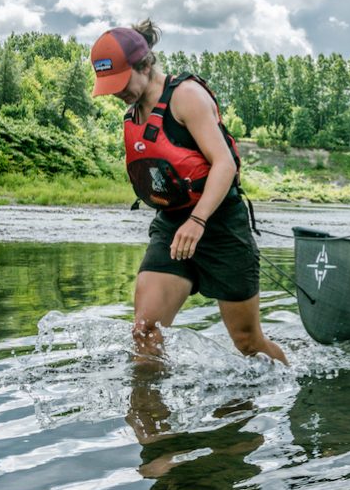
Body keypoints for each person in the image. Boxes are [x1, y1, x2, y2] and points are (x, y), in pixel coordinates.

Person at [90, 19, 287, 364]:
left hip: (219, 225)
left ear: (146, 65)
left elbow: (224, 164)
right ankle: (147, 415)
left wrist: (198, 220)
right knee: (145, 332)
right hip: (172, 226)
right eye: (109, 84)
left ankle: (292, 388)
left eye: (121, 81)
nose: (117, 92)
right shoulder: (133, 113)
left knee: (247, 342)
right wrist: (185, 220)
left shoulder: (186, 97)